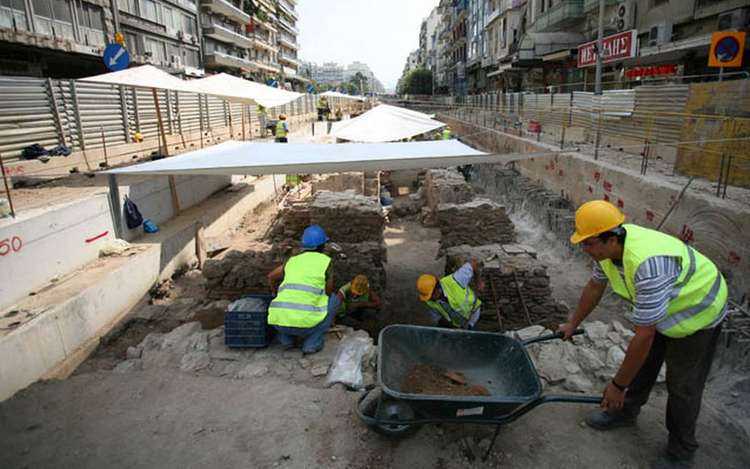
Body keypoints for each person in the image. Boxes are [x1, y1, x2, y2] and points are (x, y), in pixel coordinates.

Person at [559, 200, 728, 469]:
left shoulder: (647, 265)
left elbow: (644, 334)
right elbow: (594, 286)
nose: (584, 249)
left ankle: (681, 451)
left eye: (588, 243)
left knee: (682, 385)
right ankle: (625, 412)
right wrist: (572, 323)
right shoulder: (606, 253)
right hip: (666, 307)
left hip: (698, 312)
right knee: (644, 363)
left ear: (612, 238)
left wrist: (616, 387)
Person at [267, 225, 339, 354]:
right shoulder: (325, 261)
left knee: (282, 308)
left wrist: (274, 293)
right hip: (307, 326)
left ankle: (286, 340)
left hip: (278, 322)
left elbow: (271, 276)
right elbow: (328, 291)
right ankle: (311, 343)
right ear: (322, 245)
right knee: (334, 299)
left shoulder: (292, 260)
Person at [417, 258, 484, 329]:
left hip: (473, 314)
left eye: (430, 296)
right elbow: (437, 318)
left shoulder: (456, 280)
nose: (429, 299)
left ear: (437, 290)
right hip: (459, 325)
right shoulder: (430, 302)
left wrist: (478, 282)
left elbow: (473, 263)